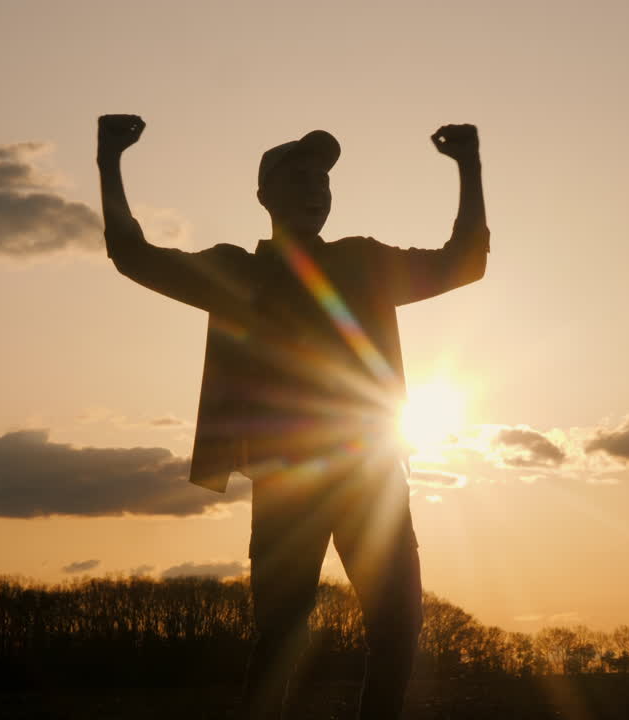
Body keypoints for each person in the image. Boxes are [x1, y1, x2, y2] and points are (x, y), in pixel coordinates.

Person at [97, 114, 489, 719]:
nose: (316, 189)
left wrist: (469, 164)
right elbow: (132, 255)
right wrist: (110, 160)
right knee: (281, 634)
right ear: (265, 196)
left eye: (324, 182)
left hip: (371, 476)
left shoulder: (364, 263)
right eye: (299, 178)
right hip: (288, 483)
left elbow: (464, 261)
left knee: (398, 623)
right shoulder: (238, 272)